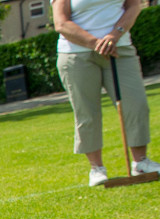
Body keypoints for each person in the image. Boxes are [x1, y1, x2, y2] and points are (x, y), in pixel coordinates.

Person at [53, 0, 159, 186]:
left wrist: (114, 35)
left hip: (120, 48)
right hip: (76, 54)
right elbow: (61, 23)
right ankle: (96, 168)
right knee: (87, 113)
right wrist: (95, 43)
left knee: (136, 105)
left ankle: (141, 162)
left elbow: (133, 6)